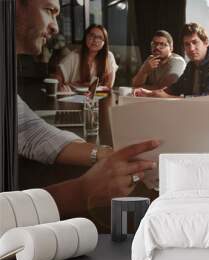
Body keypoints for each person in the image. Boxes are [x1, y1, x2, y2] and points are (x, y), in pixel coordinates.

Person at [16, 0, 159, 217]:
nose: (55, 27)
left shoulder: (107, 59)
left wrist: (105, 153)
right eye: (49, 11)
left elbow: (26, 129)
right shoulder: (75, 57)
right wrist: (83, 192)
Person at [134, 23, 209, 98]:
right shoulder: (191, 65)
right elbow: (175, 88)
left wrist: (169, 97)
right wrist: (149, 93)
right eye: (187, 44)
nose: (191, 48)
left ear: (206, 42)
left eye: (195, 42)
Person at [53, 24, 118, 91]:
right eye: (92, 35)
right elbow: (56, 77)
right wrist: (61, 87)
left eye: (100, 37)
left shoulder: (108, 57)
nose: (95, 40)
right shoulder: (74, 56)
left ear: (104, 42)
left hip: (99, 97)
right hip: (74, 97)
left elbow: (109, 85)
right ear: (86, 37)